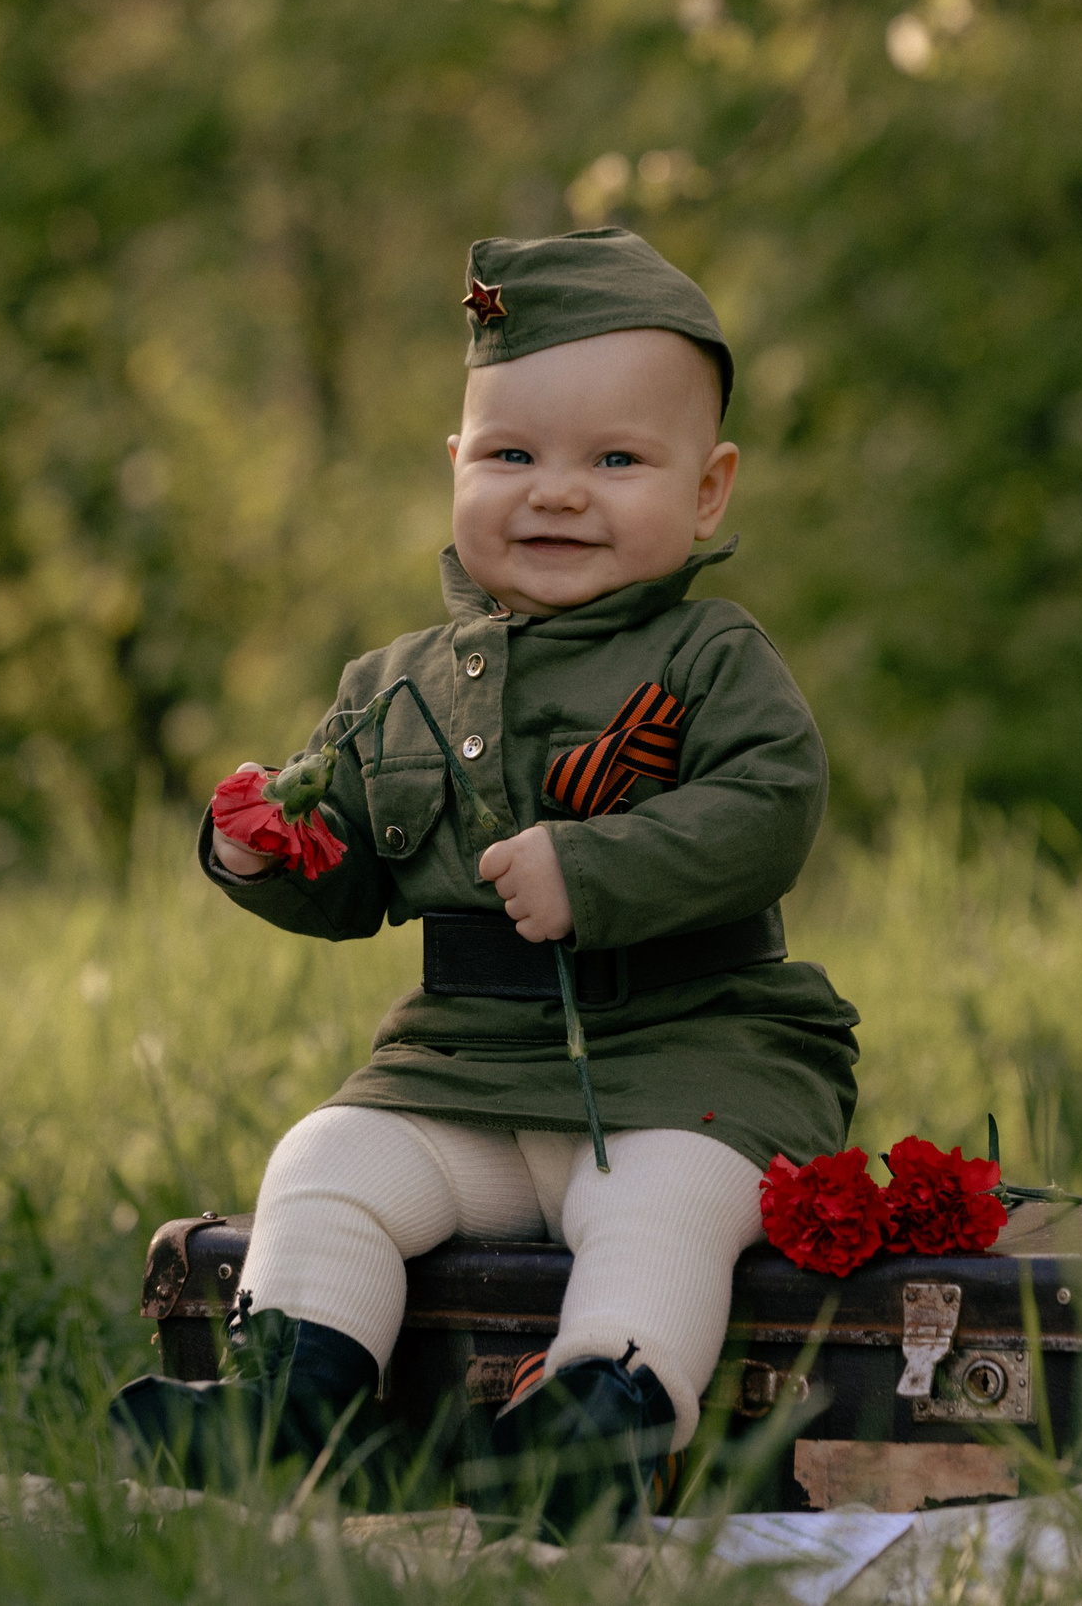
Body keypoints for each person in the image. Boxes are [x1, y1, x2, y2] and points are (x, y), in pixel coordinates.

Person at [112, 227, 861, 1533]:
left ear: (707, 491)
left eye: (615, 461)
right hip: (464, 1067)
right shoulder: (392, 683)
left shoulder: (709, 657)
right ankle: (292, 1403)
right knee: (328, 1159)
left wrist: (597, 866)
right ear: (455, 466)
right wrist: (262, 852)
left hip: (693, 1059)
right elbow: (349, 874)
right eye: (512, 456)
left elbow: (771, 807)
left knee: (661, 1211)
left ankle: (597, 1421)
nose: (556, 494)